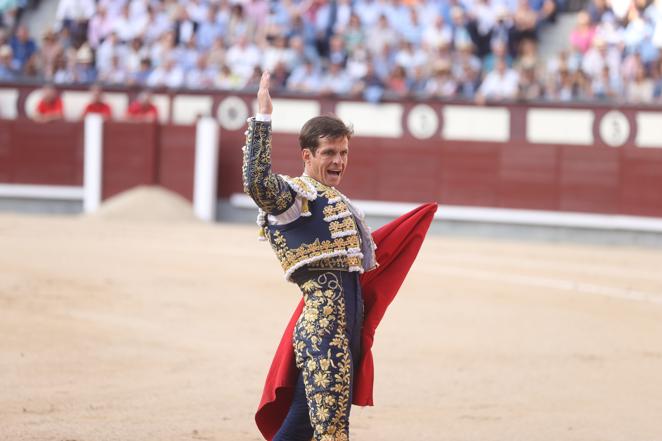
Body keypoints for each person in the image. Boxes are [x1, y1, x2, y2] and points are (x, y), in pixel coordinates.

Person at [243, 71, 377, 440]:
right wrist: (264, 119)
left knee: (303, 424)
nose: (339, 161)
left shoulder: (334, 198)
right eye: (329, 153)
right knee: (330, 432)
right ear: (307, 155)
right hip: (323, 331)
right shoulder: (294, 198)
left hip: (344, 330)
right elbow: (257, 183)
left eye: (344, 152)